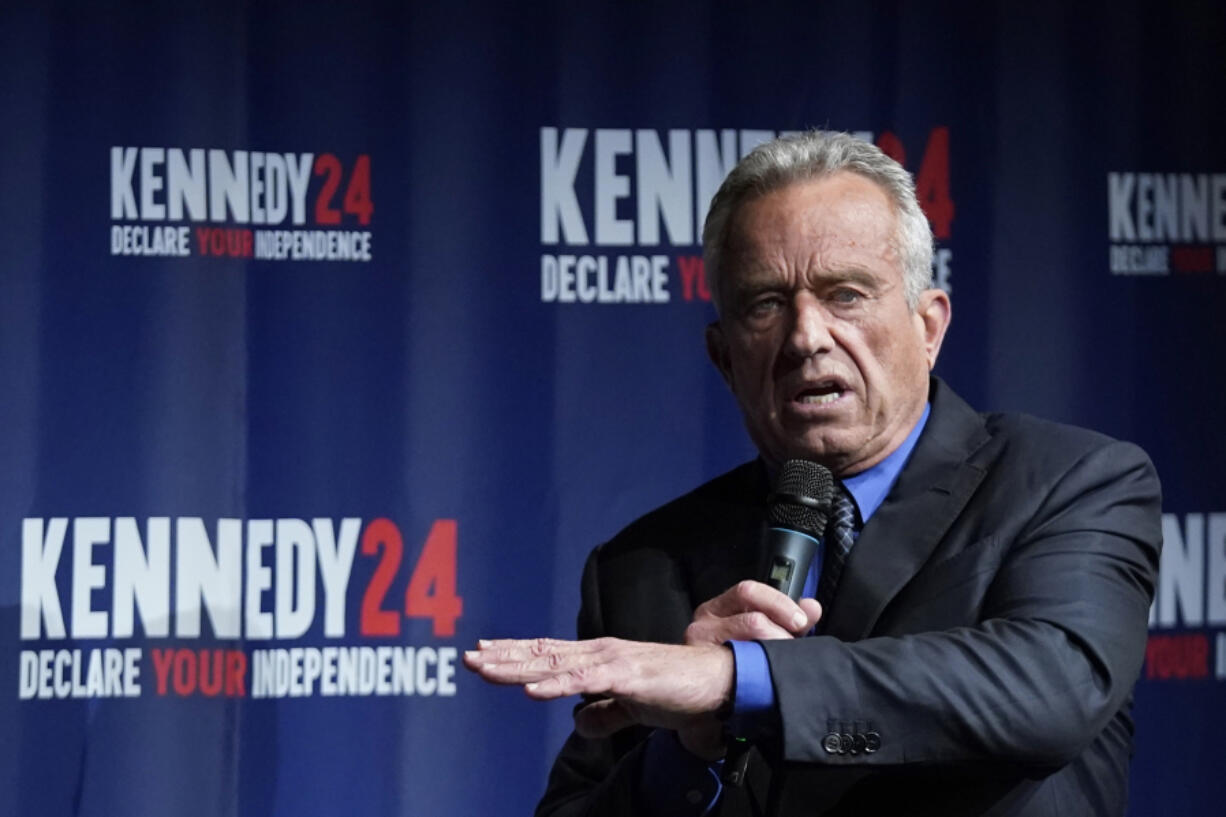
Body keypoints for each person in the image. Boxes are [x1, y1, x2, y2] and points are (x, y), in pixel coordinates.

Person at [465, 131, 1161, 816]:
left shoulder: (1071, 482)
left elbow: (1054, 686)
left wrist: (740, 678)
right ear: (723, 356)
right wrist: (687, 752)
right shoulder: (641, 567)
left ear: (929, 326)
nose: (806, 335)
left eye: (847, 294)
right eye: (766, 303)